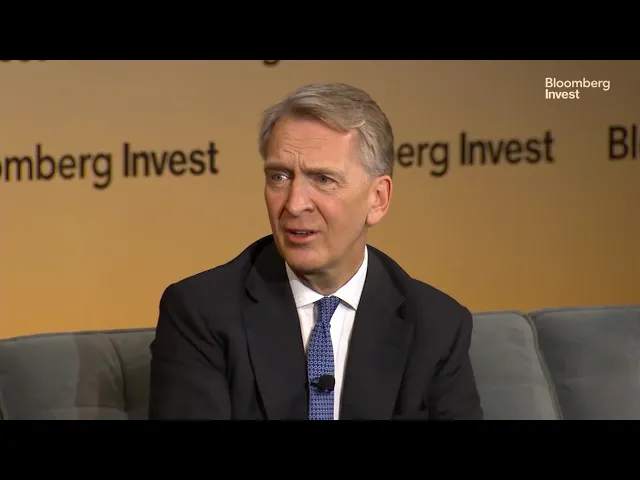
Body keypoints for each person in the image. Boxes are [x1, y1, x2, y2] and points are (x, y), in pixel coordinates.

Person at [148, 82, 483, 420]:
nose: (294, 204)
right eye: (279, 177)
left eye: (323, 179)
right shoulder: (201, 313)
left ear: (377, 199)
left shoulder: (436, 326)